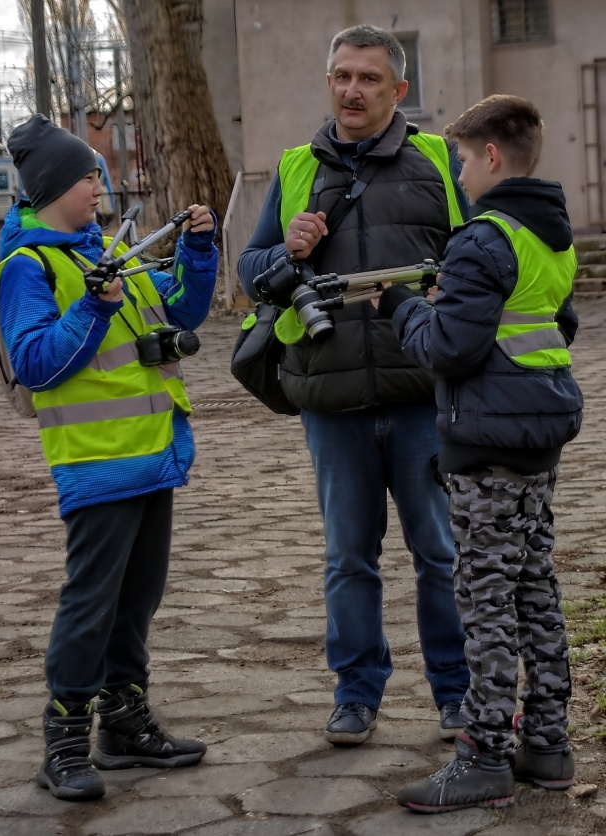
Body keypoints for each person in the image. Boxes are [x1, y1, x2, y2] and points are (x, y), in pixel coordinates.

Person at [237, 24, 470, 746]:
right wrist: (287, 250)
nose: (352, 90)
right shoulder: (297, 166)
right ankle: (356, 693)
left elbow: (479, 261)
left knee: (439, 552)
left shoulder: (437, 160)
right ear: (328, 82)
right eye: (341, 76)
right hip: (331, 401)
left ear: (398, 90)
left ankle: (457, 694)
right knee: (348, 557)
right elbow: (250, 273)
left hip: (422, 397)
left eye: (369, 78)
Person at [0, 114, 218, 802]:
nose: (101, 185)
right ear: (58, 184)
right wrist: (91, 310)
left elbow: (179, 317)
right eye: (91, 174)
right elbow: (34, 364)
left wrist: (198, 254)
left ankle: (123, 723)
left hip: (154, 456)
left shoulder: (106, 255)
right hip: (95, 462)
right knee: (90, 604)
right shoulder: (27, 268)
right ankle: (63, 741)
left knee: (136, 600)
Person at [376, 94, 583, 812]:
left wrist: (405, 308)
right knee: (534, 590)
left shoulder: (483, 238)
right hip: (535, 441)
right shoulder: (551, 235)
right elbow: (559, 322)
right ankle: (549, 744)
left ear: (491, 155)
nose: (460, 174)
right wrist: (458, 301)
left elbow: (449, 348)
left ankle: (484, 753)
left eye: (463, 158)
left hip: (486, 446)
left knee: (487, 600)